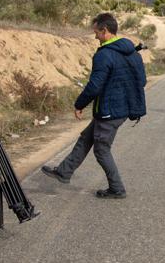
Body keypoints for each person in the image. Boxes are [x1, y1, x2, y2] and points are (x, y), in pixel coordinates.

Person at [41, 13, 146, 198]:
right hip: (119, 109)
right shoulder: (132, 52)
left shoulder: (104, 54)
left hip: (110, 111)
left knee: (101, 149)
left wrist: (79, 104)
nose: (95, 36)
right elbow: (142, 80)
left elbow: (94, 86)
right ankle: (64, 171)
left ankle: (117, 189)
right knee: (86, 137)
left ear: (104, 30)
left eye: (96, 32)